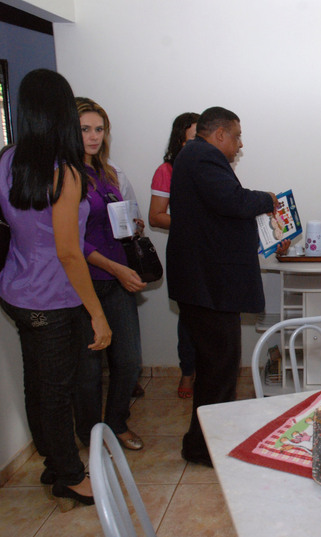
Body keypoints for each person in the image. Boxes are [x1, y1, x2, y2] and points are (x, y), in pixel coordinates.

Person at [0, 69, 111, 509]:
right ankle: (69, 475)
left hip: (17, 290)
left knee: (38, 383)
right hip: (54, 297)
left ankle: (52, 461)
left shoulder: (8, 159)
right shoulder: (65, 172)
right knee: (58, 390)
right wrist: (97, 313)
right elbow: (69, 252)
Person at [167, 106, 287, 466]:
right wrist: (267, 199)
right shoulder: (203, 157)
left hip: (206, 282)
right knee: (219, 367)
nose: (240, 144)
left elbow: (221, 207)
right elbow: (232, 201)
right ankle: (204, 447)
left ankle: (201, 441)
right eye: (237, 136)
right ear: (219, 134)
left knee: (215, 367)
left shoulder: (195, 156)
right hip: (208, 284)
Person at [72, 97, 145, 451]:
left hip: (117, 279)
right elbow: (72, 240)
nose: (93, 136)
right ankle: (90, 434)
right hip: (83, 283)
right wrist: (116, 268)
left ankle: (116, 423)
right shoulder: (65, 175)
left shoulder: (108, 172)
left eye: (99, 129)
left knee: (129, 360)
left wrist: (133, 223)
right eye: (85, 129)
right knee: (88, 370)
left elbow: (115, 220)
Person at [149, 112, 199, 399]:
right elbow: (155, 216)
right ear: (180, 140)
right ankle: (187, 372)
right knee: (189, 318)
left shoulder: (214, 169)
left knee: (212, 318)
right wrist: (193, 223)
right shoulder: (166, 170)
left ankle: (208, 372)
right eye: (193, 139)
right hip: (185, 253)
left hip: (212, 253)